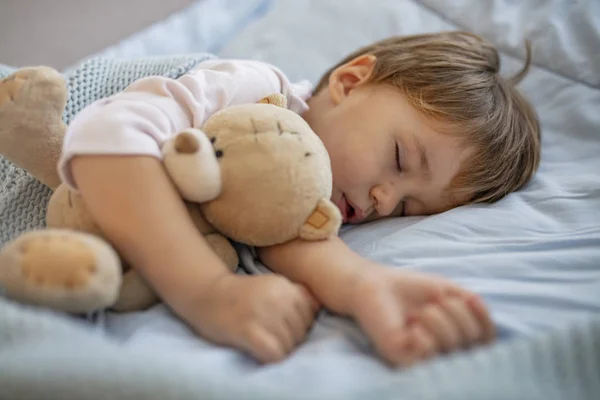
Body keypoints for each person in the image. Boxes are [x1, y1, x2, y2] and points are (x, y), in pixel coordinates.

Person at [60, 31, 541, 367]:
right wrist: (209, 292)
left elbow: (285, 228)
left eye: (410, 207)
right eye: (399, 158)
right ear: (351, 82)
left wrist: (368, 286)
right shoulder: (257, 92)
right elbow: (108, 135)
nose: (385, 200)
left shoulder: (297, 192)